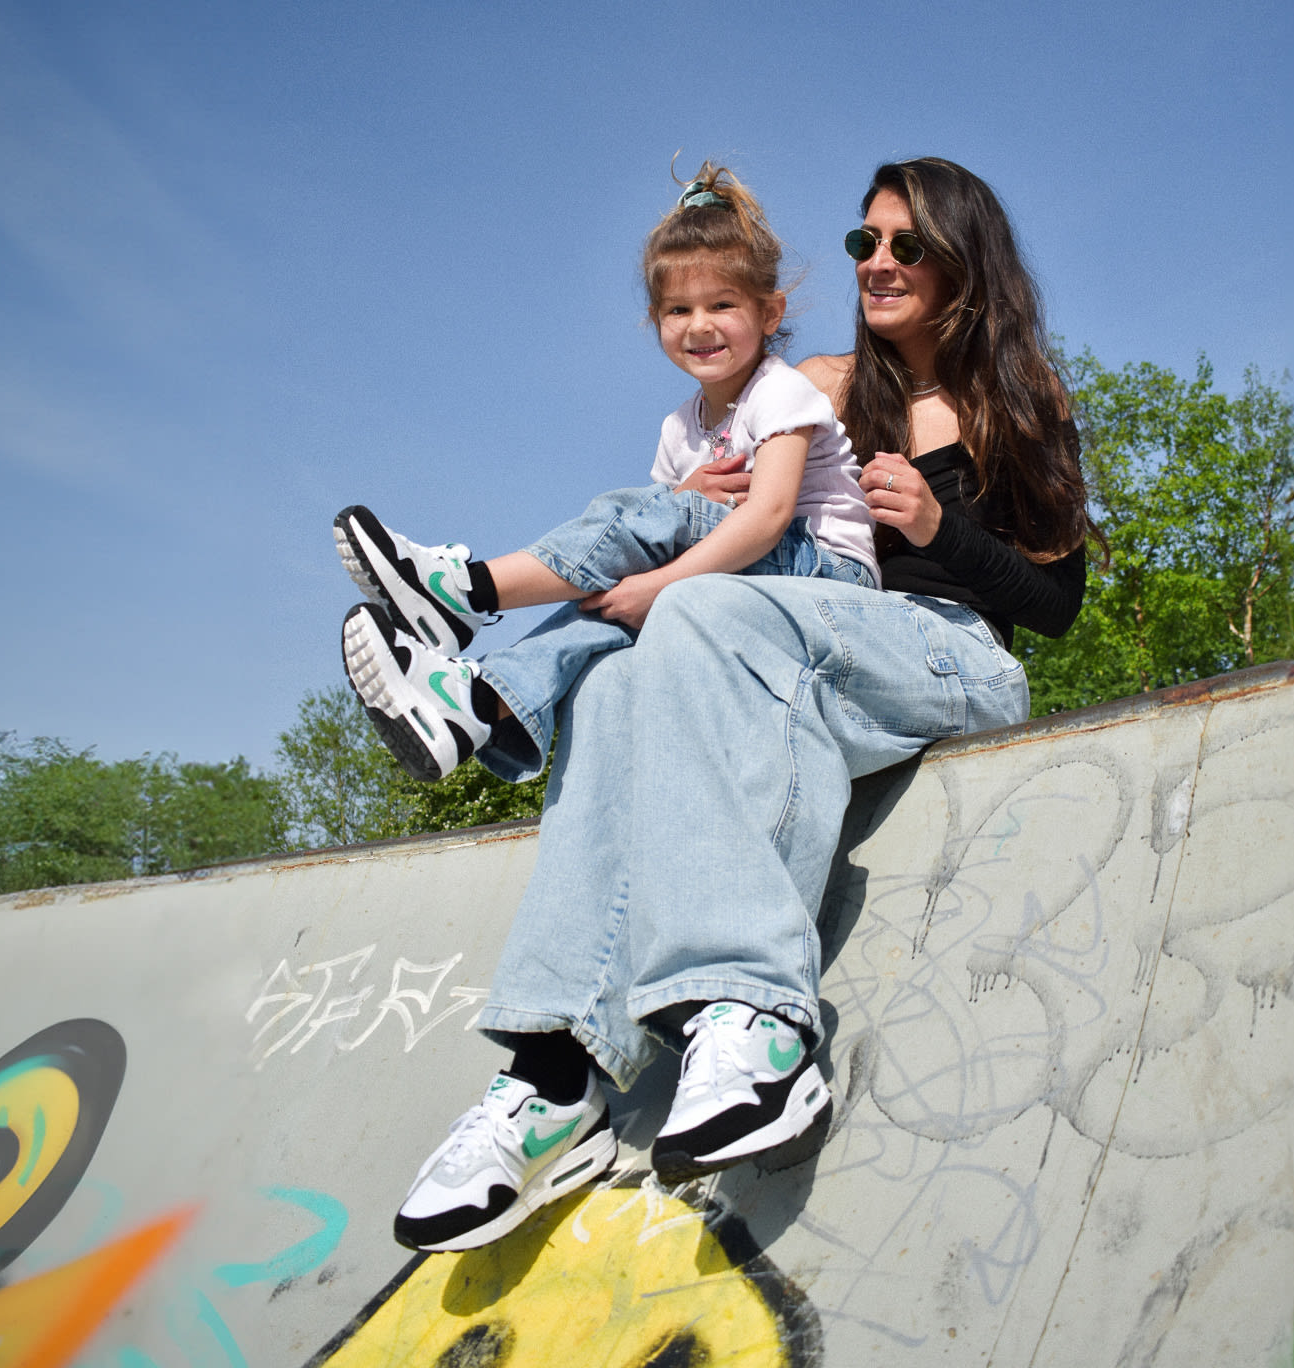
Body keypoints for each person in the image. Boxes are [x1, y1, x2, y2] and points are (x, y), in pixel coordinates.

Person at [390, 158, 1091, 1255]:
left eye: (905, 246)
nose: (877, 264)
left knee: (702, 614)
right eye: (863, 243)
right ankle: (553, 1076)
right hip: (801, 654)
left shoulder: (1018, 401)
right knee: (620, 679)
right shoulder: (815, 383)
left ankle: (758, 1018)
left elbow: (1054, 604)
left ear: (963, 262)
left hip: (949, 660)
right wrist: (695, 498)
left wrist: (936, 532)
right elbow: (720, 497)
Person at [337, 162, 876, 785]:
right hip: (753, 569)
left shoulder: (781, 392)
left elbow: (770, 515)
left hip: (830, 574)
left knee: (649, 519)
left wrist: (666, 573)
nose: (699, 325)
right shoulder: (680, 427)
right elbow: (636, 549)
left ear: (770, 312)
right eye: (678, 310)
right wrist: (662, 548)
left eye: (722, 304)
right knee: (611, 600)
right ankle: (482, 706)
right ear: (655, 321)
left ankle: (467, 590)